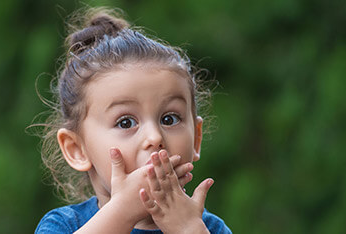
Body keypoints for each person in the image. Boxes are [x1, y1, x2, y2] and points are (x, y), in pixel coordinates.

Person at [34, 7, 232, 234]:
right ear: (77, 149)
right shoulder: (65, 224)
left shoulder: (209, 228)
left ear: (196, 138)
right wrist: (124, 210)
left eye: (169, 118)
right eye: (126, 123)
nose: (155, 137)